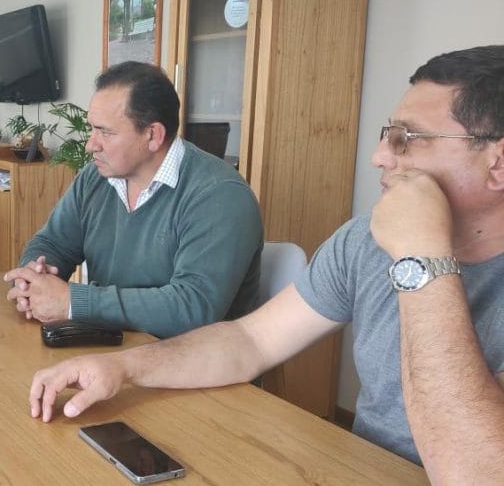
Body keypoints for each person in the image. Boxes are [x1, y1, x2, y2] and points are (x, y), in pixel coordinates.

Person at [27, 46, 504, 482]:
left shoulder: (402, 242)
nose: (379, 156)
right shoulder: (365, 240)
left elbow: (475, 473)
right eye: (388, 135)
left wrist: (422, 257)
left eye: (409, 139)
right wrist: (122, 367)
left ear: (497, 163)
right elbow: (250, 340)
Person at [5, 61, 263, 338]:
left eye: (105, 132)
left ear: (153, 136)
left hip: (196, 359)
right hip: (111, 347)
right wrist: (33, 277)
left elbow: (192, 308)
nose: (91, 144)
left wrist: (73, 302)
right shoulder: (95, 178)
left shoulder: (220, 195)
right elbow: (52, 242)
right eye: (92, 129)